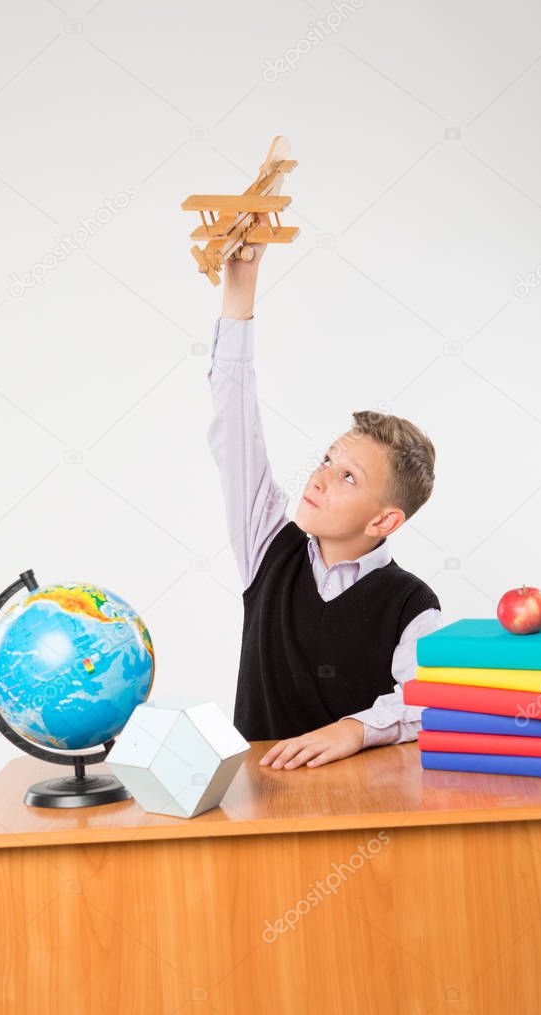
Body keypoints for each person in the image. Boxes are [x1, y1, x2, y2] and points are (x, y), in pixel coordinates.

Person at [206, 242, 444, 770]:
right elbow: (234, 419)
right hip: (259, 800)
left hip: (359, 811)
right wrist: (240, 287)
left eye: (348, 476)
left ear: (385, 520)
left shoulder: (413, 605)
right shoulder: (267, 546)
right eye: (327, 459)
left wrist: (356, 729)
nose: (320, 477)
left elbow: (432, 699)